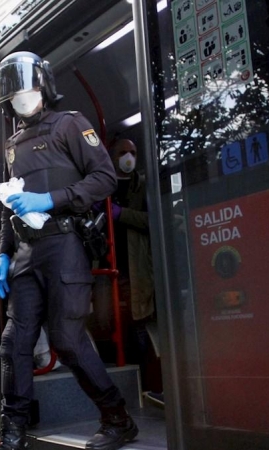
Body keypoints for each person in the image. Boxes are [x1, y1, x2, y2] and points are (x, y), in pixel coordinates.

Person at [0, 51, 138, 450]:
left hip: (65, 243)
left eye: (26, 88)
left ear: (43, 86)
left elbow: (106, 177)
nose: (20, 98)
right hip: (24, 253)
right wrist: (4, 255)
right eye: (12, 94)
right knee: (14, 345)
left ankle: (118, 418)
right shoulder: (13, 144)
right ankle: (13, 432)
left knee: (67, 339)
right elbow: (11, 205)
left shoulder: (70, 124)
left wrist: (52, 199)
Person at [102, 139, 162, 407]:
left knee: (138, 323)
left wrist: (120, 214)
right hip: (107, 267)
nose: (128, 157)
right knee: (109, 324)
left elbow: (155, 220)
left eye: (133, 153)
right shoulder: (102, 186)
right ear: (111, 156)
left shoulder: (145, 184)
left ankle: (146, 386)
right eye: (122, 153)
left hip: (136, 267)